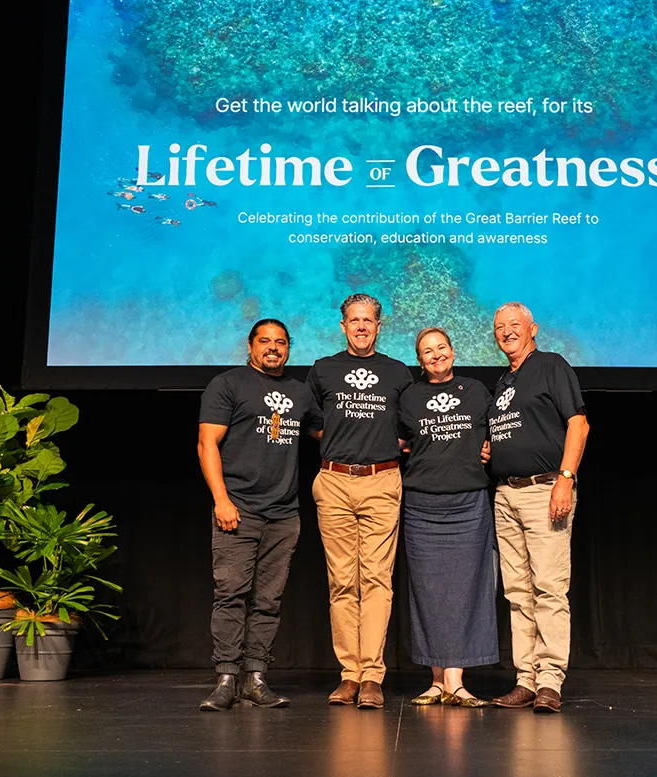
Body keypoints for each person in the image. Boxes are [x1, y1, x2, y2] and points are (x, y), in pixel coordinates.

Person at [196, 319, 322, 711]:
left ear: (288, 348)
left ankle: (255, 678)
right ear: (250, 345)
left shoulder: (300, 394)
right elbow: (206, 444)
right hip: (239, 508)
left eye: (280, 342)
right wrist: (221, 499)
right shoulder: (228, 384)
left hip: (284, 514)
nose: (273, 348)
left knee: (268, 600)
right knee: (231, 595)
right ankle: (226, 679)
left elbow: (330, 434)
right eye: (265, 341)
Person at [305, 293, 414, 709]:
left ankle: (372, 675)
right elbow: (309, 420)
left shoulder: (397, 372)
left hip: (381, 481)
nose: (362, 326)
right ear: (343, 326)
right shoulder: (322, 370)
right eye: (354, 320)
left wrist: (388, 444)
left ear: (379, 326)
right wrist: (333, 443)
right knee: (342, 582)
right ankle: (349, 675)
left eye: (369, 320)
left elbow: (412, 423)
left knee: (376, 580)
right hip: (333, 481)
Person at [485, 302, 589, 713]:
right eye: (499, 327)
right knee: (517, 593)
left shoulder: (550, 365)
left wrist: (565, 479)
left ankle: (549, 681)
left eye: (515, 325)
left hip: (545, 489)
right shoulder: (503, 382)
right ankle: (525, 679)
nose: (507, 331)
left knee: (548, 587)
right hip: (506, 495)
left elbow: (578, 423)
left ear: (533, 329)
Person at [397, 327, 498, 708]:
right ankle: (436, 681)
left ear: (453, 352)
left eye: (441, 348)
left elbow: (495, 435)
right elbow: (399, 440)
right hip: (422, 506)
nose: (436, 355)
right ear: (420, 361)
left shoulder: (475, 391)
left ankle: (457, 681)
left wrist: (489, 449)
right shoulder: (408, 396)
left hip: (468, 503)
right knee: (429, 593)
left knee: (467, 590)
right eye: (427, 351)